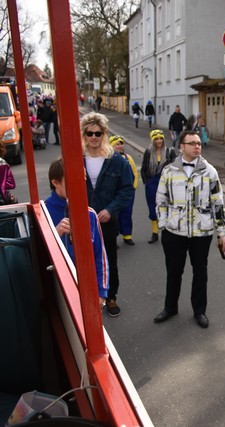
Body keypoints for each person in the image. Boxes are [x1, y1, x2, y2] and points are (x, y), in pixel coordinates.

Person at [153, 130, 225, 328]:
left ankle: (199, 311)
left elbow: (218, 204)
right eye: (192, 143)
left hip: (201, 233)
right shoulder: (169, 171)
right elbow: (161, 200)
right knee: (173, 272)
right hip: (174, 232)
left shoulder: (210, 172)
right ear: (182, 147)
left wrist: (222, 234)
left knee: (200, 273)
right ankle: (170, 307)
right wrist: (163, 226)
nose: (197, 146)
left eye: (199, 143)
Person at [81, 112, 134, 317]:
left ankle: (111, 297)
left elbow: (127, 189)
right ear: (84, 135)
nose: (94, 137)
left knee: (109, 259)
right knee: (84, 259)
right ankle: (88, 296)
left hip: (107, 220)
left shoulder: (117, 161)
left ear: (104, 134)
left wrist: (110, 210)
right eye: (90, 133)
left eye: (98, 133)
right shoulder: (76, 158)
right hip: (83, 220)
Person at [44, 158, 109, 307]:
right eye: (71, 181)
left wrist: (101, 293)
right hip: (58, 291)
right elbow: (38, 255)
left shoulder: (90, 214)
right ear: (55, 182)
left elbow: (100, 255)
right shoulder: (43, 212)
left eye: (81, 180)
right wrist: (55, 234)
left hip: (87, 289)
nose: (77, 186)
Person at [141, 129, 176, 244]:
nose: (159, 141)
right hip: (152, 182)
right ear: (153, 140)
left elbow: (176, 168)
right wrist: (147, 182)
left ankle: (168, 231)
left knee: (168, 206)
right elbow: (144, 168)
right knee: (152, 207)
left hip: (166, 182)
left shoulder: (170, 151)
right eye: (156, 139)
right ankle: (155, 232)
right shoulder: (148, 152)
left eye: (161, 138)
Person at [110, 135, 139, 246]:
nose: (120, 146)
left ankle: (127, 235)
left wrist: (133, 187)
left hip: (127, 193)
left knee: (127, 213)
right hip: (114, 192)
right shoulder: (108, 158)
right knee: (114, 216)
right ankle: (114, 238)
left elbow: (135, 173)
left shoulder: (128, 158)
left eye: (121, 143)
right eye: (117, 144)